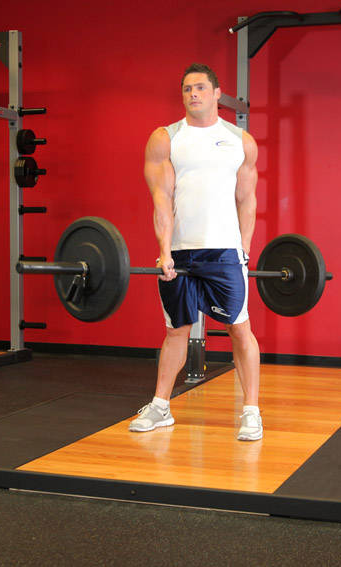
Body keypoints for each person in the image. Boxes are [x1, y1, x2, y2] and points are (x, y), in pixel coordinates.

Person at [130, 62, 262, 441]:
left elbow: (247, 199)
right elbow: (161, 199)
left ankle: (251, 412)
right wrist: (165, 250)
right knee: (176, 330)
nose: (193, 94)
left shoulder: (240, 141)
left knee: (239, 328)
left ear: (217, 93)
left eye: (201, 87)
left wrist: (244, 249)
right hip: (181, 253)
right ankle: (160, 406)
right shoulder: (166, 139)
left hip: (224, 252)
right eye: (187, 89)